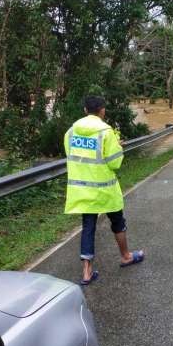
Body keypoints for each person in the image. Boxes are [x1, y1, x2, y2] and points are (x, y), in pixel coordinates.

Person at [64, 95, 145, 286]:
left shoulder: (71, 131)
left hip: (82, 190)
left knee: (88, 227)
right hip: (105, 189)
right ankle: (126, 256)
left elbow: (71, 154)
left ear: (85, 110)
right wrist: (118, 147)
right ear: (102, 110)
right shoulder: (106, 132)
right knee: (117, 222)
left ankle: (86, 272)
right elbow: (115, 162)